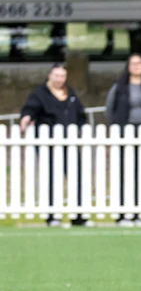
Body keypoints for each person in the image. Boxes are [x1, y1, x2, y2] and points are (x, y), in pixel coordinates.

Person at [19, 63, 89, 227]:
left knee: (76, 177)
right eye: (56, 75)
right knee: (51, 178)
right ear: (50, 76)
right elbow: (30, 109)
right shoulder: (39, 94)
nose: (59, 79)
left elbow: (80, 114)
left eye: (62, 76)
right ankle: (52, 215)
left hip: (69, 142)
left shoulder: (70, 93)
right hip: (48, 143)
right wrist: (26, 118)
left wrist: (80, 128)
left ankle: (78, 215)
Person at [105, 53, 141, 226]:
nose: (137, 66)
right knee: (123, 173)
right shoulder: (119, 87)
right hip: (125, 132)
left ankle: (137, 213)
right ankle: (122, 214)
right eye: (133, 63)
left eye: (139, 63)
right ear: (128, 67)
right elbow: (110, 109)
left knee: (140, 174)